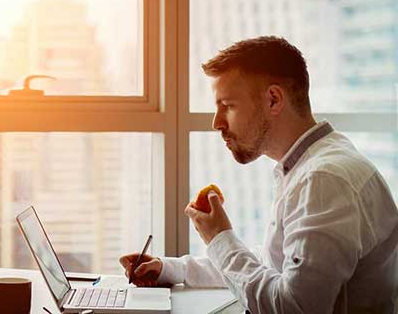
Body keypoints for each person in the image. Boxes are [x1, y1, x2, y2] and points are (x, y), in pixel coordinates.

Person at [119, 36, 398, 313]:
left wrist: (219, 237)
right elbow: (272, 264)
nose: (217, 123)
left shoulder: (323, 180)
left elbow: (293, 308)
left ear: (274, 100)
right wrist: (170, 269)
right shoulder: (313, 165)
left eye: (227, 105)